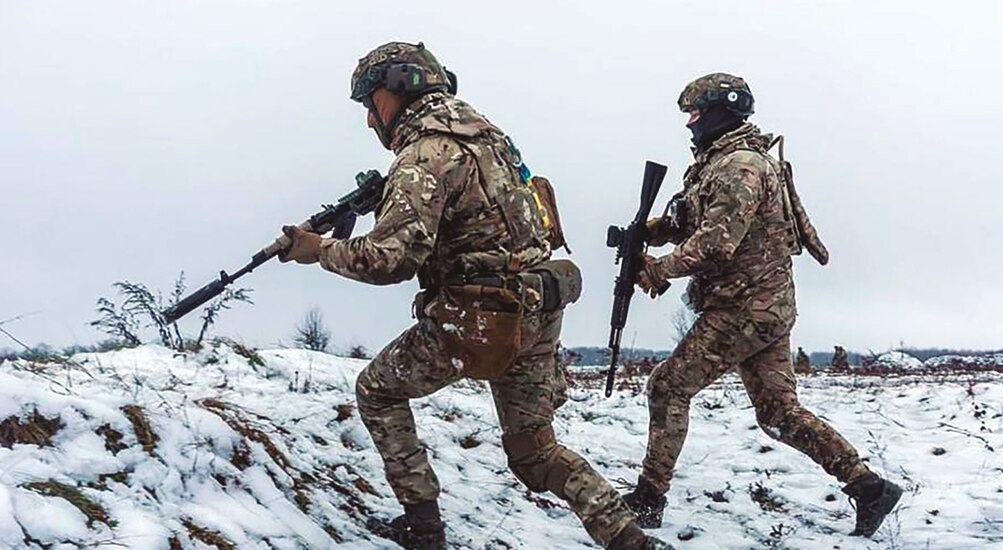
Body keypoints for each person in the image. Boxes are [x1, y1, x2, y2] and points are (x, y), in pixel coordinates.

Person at [279, 41, 670, 550]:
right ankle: (630, 541)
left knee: (378, 391)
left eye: (371, 103)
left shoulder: (424, 154)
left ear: (400, 89)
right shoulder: (488, 137)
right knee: (535, 454)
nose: (371, 121)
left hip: (482, 318)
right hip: (536, 304)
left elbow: (390, 260)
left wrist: (320, 249)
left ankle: (423, 529)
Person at [621, 73, 901, 538]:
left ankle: (649, 499)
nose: (689, 123)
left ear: (718, 112)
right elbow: (694, 217)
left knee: (668, 387)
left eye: (694, 113)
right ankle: (869, 487)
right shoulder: (723, 162)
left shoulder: (740, 167)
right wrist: (652, 230)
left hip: (744, 309)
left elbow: (716, 244)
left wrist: (658, 268)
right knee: (778, 414)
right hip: (764, 307)